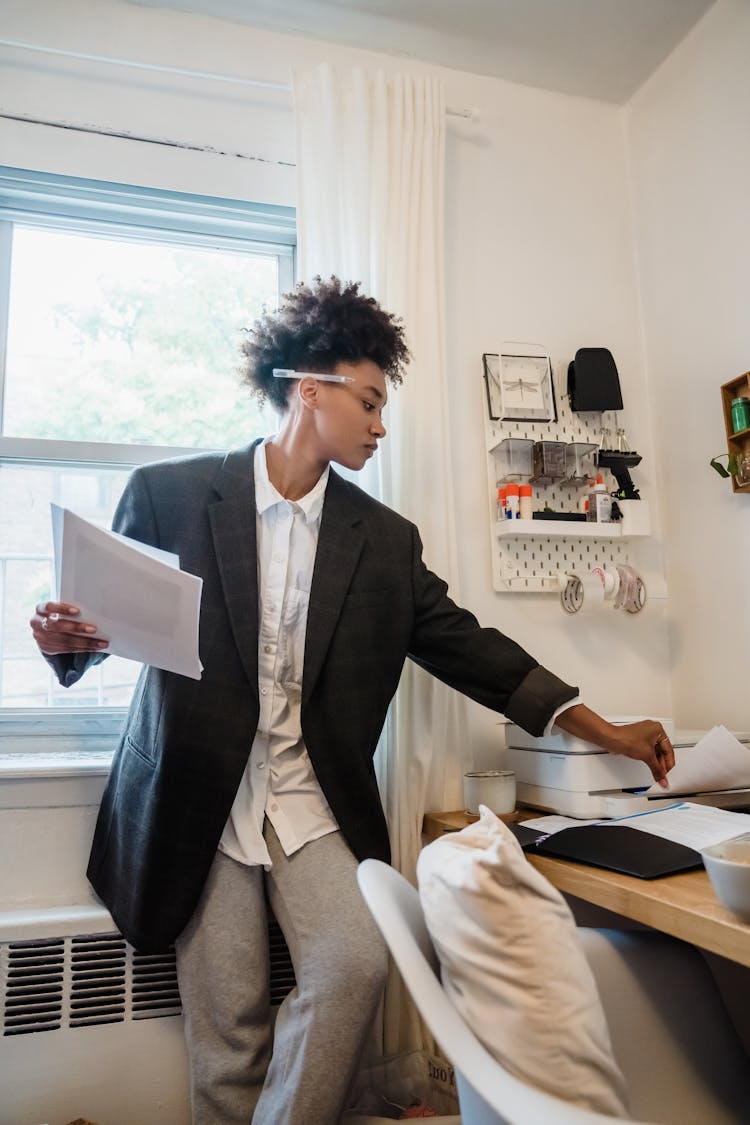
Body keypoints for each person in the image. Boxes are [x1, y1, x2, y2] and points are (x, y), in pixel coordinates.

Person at [30, 276, 675, 1125]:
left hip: (312, 800)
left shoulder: (385, 542)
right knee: (228, 1029)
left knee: (356, 965)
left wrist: (607, 729)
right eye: (369, 401)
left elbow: (475, 650)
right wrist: (65, 642)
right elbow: (102, 626)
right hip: (197, 797)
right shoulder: (170, 494)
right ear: (310, 387)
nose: (380, 423)